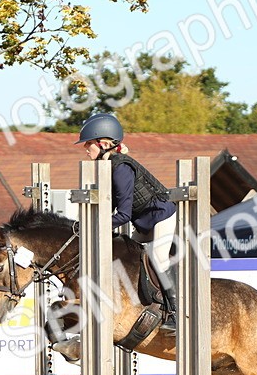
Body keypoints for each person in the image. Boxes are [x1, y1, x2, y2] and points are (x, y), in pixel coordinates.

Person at [75, 113, 179, 329]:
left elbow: (121, 215)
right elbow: (110, 207)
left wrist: (94, 227)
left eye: (88, 144)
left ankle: (174, 314)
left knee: (158, 258)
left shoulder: (121, 168)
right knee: (128, 258)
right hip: (143, 221)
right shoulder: (108, 167)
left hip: (161, 216)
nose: (86, 148)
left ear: (103, 144)